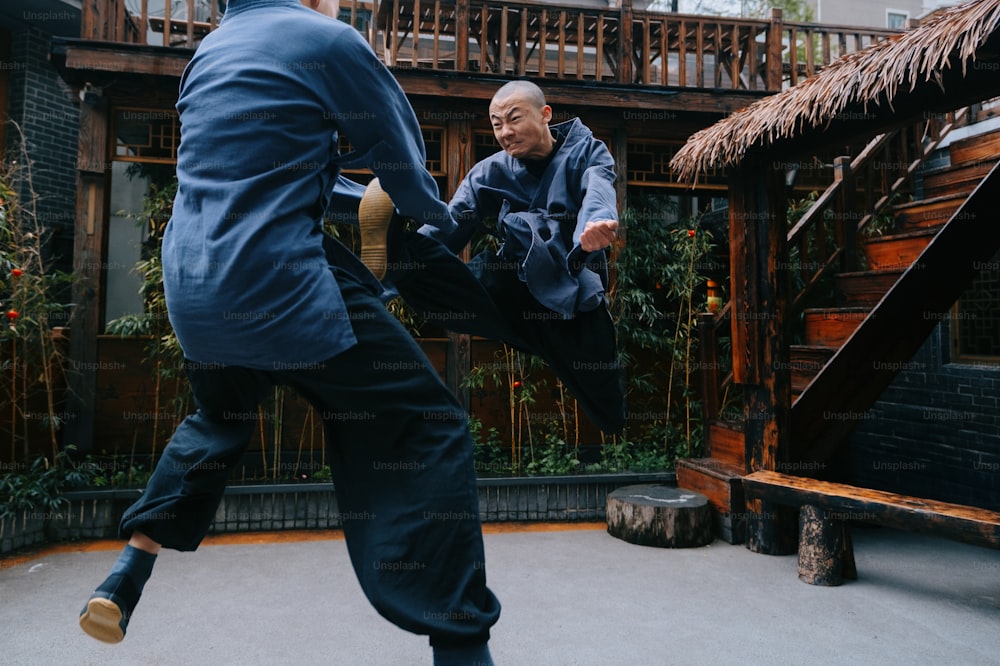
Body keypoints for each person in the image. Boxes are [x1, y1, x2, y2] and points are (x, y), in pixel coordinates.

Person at [77, 1, 500, 664]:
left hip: (195, 285)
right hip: (279, 286)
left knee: (218, 422)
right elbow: (405, 168)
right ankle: (462, 645)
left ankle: (125, 577)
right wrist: (444, 228)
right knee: (429, 424)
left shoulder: (209, 56)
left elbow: (269, 179)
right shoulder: (328, 40)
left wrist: (360, 201)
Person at [362, 80, 626, 434]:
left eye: (514, 119)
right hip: (512, 288)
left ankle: (614, 424)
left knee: (608, 406)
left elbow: (599, 187)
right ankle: (394, 242)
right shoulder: (490, 171)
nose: (504, 132)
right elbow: (450, 225)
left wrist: (594, 223)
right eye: (496, 123)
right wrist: (392, 275)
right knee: (442, 282)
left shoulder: (587, 152)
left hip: (572, 299)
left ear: (545, 114)